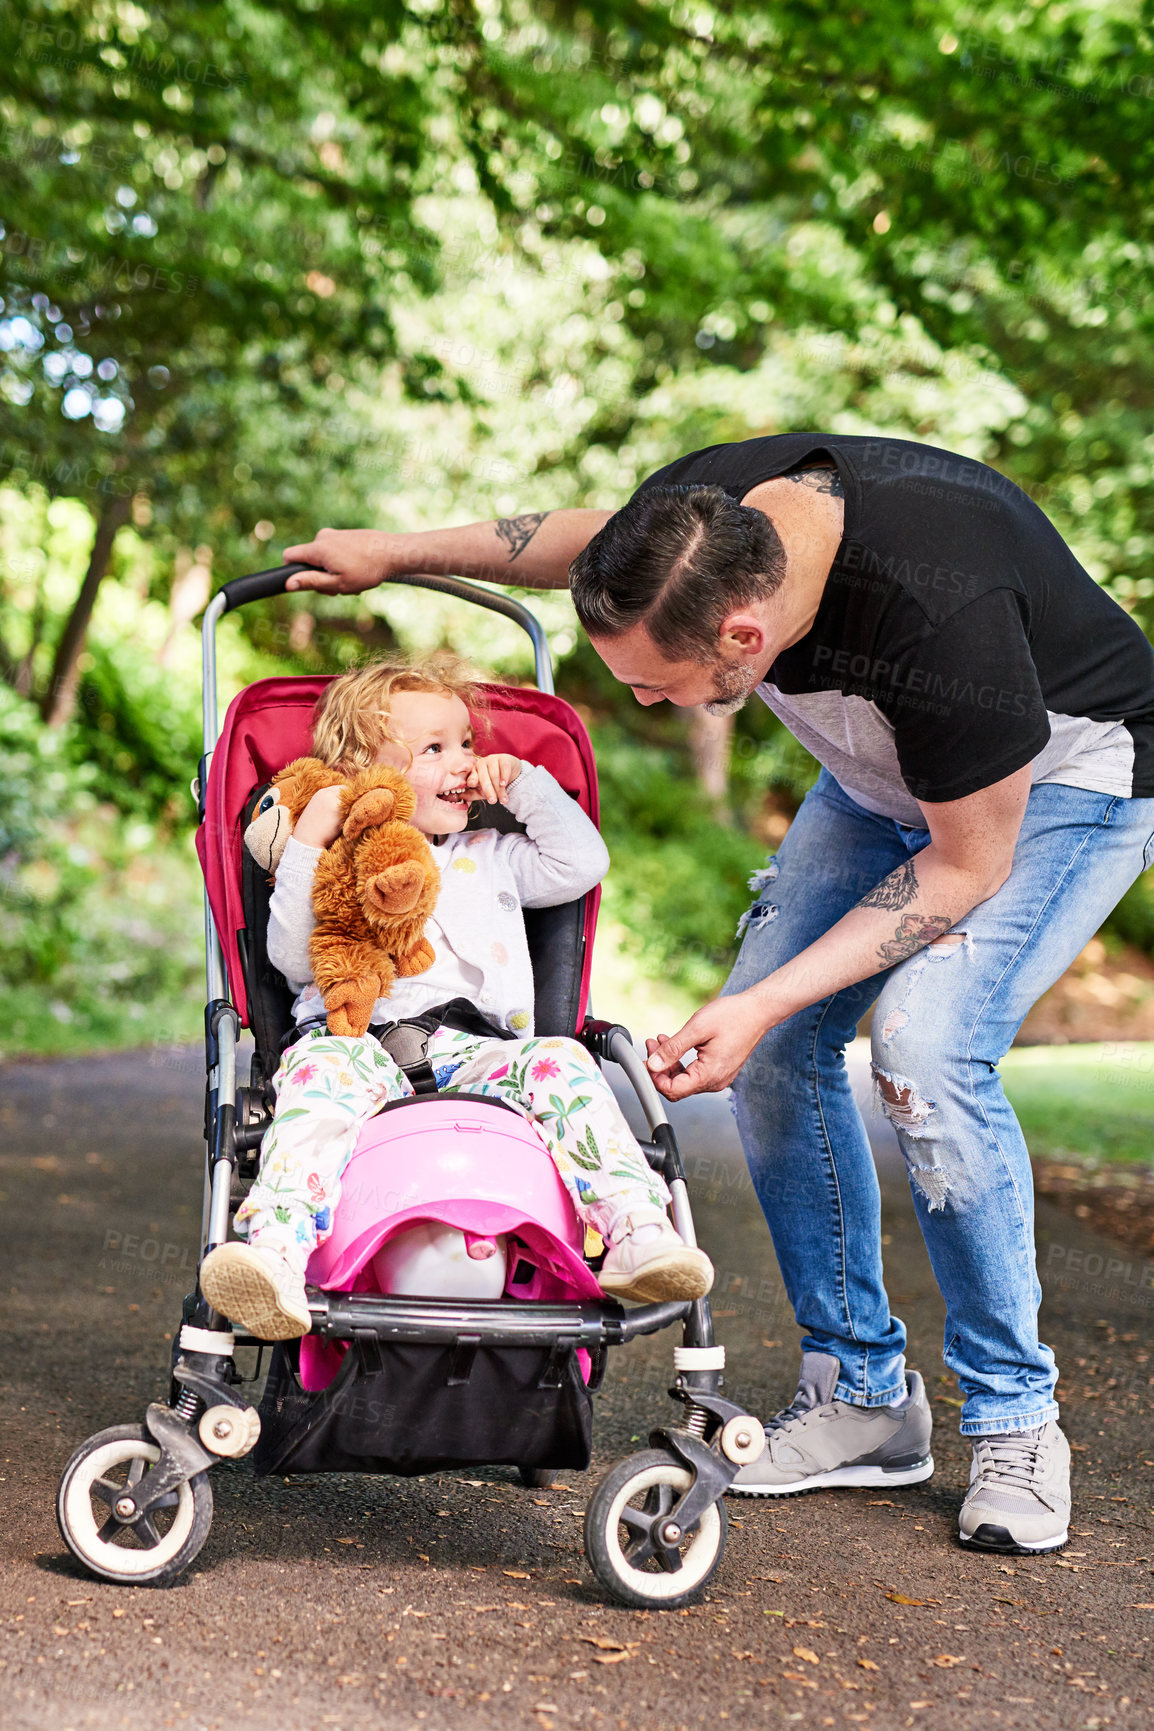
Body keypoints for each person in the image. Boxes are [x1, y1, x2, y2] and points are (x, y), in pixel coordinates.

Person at [279, 433, 1154, 1554]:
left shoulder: (946, 615)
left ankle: (1014, 1418)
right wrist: (390, 555)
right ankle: (860, 1398)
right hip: (878, 770)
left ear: (744, 636)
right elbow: (576, 541)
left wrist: (761, 1001)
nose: (639, 694)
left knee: (925, 1054)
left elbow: (964, 864)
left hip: (1059, 781)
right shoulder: (702, 518)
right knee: (779, 1053)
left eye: (656, 682)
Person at [201, 654, 714, 1339]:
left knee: (562, 1061)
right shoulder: (339, 861)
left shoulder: (493, 852)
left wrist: (526, 786)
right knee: (317, 1087)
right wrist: (309, 842)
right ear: (366, 773)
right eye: (435, 749)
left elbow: (583, 863)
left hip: (480, 1052)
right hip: (352, 1044)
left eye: (467, 742)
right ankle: (276, 1250)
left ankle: (637, 1229)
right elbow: (294, 959)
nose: (463, 761)